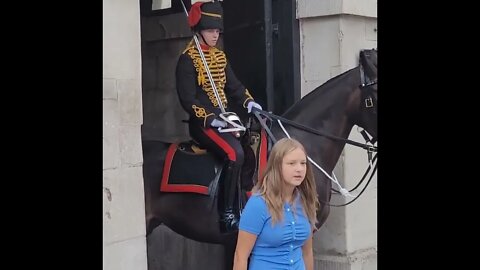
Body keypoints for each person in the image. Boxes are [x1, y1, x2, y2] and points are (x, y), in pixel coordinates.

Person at [175, 0, 262, 233]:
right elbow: (187, 99)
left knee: (249, 147)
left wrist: (249, 102)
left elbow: (234, 87)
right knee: (234, 154)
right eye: (211, 30)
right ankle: (227, 214)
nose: (215, 35)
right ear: (200, 30)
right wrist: (209, 119)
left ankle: (246, 202)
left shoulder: (220, 57)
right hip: (202, 123)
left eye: (217, 31)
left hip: (224, 120)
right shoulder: (188, 59)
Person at [233, 138, 320, 270]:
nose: (299, 169)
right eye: (292, 163)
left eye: (303, 163)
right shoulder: (258, 204)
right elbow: (241, 256)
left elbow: (307, 252)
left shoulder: (306, 200)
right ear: (277, 166)